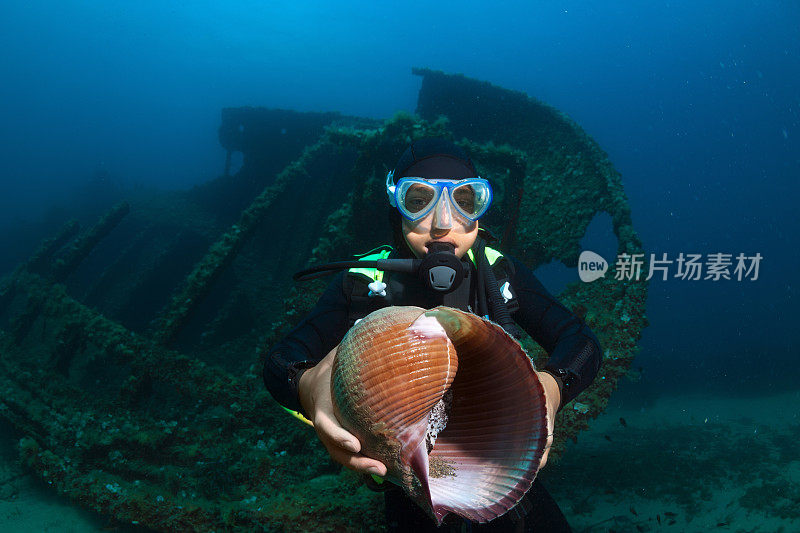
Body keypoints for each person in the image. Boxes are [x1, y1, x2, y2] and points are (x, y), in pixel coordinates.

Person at [264, 138, 602, 532]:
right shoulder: (362, 281)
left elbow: (582, 344)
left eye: (465, 200)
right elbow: (279, 362)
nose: (443, 222)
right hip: (406, 486)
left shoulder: (499, 272)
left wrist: (551, 387)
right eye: (419, 198)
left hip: (495, 465)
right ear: (395, 204)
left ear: (480, 209)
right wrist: (309, 385)